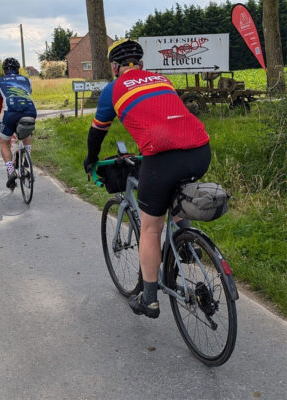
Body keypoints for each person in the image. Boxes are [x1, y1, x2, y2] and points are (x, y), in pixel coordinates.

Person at [83, 38, 211, 318]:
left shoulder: (112, 90)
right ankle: (187, 247)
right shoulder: (161, 80)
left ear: (114, 67)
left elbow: (97, 132)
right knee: (176, 193)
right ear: (141, 64)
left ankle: (149, 299)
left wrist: (90, 159)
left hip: (162, 156)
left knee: (151, 228)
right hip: (201, 150)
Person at [0, 57, 37, 190]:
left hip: (11, 113)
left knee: (4, 142)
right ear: (18, 69)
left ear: (4, 70)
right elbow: (27, 95)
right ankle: (27, 160)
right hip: (30, 111)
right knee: (26, 133)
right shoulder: (27, 80)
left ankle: (11, 170)